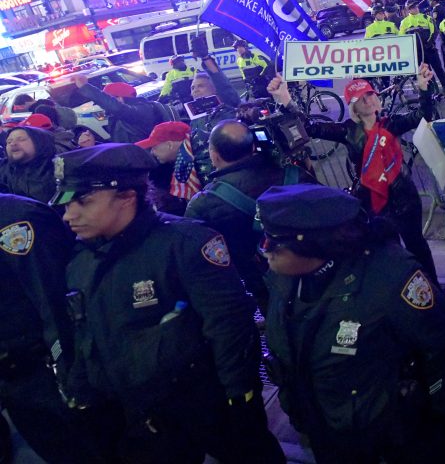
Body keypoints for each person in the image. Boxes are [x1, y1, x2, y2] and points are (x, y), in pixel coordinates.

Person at [56, 144, 285, 464]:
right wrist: (80, 390)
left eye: (84, 202)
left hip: (203, 401)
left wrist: (242, 398)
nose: (69, 215)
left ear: (126, 197)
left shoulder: (185, 243)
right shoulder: (82, 258)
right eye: (67, 205)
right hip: (137, 411)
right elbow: (84, 330)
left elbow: (229, 325)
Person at [259, 184, 445, 464]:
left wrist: (431, 415)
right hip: (327, 427)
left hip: (393, 438)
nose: (265, 249)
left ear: (309, 243)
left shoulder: (391, 277)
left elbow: (444, 345)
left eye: (275, 242)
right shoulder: (285, 276)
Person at [266, 66, 441, 281]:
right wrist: (285, 98)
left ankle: (434, 289)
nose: (368, 100)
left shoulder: (392, 123)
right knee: (388, 251)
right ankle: (401, 292)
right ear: (353, 107)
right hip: (372, 200)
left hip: (405, 198)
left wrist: (423, 88)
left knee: (417, 247)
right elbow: (309, 126)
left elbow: (424, 114)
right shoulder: (347, 130)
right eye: (360, 98)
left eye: (370, 94)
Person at [0, 195, 106, 463]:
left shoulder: (15, 219)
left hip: (42, 369)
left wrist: (69, 370)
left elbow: (54, 302)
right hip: (13, 376)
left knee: (81, 449)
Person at [184, 120, 315, 313]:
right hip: (317, 271)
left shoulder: (203, 204)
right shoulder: (295, 175)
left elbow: (199, 260)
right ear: (253, 146)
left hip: (267, 289)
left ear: (214, 155)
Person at [72, 77, 163, 144]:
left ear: (119, 98)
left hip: (148, 162)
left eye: (112, 99)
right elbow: (119, 146)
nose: (104, 107)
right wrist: (92, 144)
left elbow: (117, 108)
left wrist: (85, 87)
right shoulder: (117, 117)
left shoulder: (139, 111)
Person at [136, 121, 203, 209]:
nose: (152, 152)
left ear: (169, 145)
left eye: (154, 147)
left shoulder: (200, 158)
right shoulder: (184, 159)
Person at [0, 127, 58, 203]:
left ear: (40, 142)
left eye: (21, 139)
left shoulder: (60, 168)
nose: (13, 144)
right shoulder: (3, 169)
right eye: (9, 142)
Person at [400, 0, 445, 91]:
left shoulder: (427, 17)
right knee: (425, 71)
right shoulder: (404, 22)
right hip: (418, 52)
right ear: (408, 10)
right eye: (413, 8)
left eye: (416, 6)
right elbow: (402, 37)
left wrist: (430, 43)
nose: (416, 8)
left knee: (438, 68)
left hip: (430, 48)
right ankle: (434, 89)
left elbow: (434, 31)